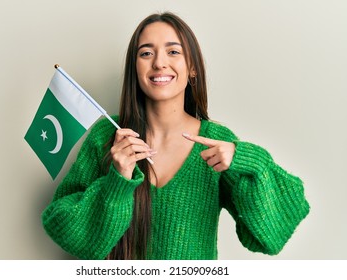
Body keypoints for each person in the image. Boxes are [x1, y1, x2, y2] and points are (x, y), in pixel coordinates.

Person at [41, 12, 310, 260]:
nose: (159, 63)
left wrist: (250, 161)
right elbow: (66, 230)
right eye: (146, 53)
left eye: (173, 51)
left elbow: (272, 237)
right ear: (135, 67)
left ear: (192, 67)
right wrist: (118, 179)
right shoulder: (108, 136)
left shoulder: (217, 140)